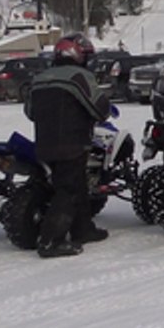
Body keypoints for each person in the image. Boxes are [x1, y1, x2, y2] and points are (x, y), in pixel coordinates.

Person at [24, 33, 111, 258]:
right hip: (72, 141)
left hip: (44, 142)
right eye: (86, 55)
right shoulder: (79, 77)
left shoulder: (39, 78)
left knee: (77, 185)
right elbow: (100, 109)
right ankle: (51, 240)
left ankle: (83, 229)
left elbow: (30, 112)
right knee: (69, 190)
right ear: (76, 54)